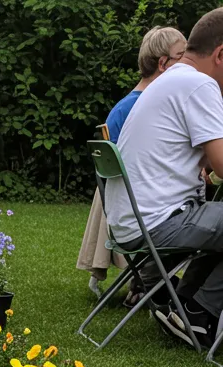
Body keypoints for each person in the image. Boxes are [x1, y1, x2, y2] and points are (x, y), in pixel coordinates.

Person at [105, 8, 223, 348]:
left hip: (131, 222)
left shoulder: (172, 80)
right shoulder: (198, 84)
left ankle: (183, 308)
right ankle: (200, 314)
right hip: (155, 223)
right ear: (221, 54)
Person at [77, 26, 186, 297]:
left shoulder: (131, 103)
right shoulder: (141, 107)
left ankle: (150, 283)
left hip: (124, 206)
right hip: (138, 209)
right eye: (182, 56)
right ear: (163, 63)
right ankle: (153, 282)